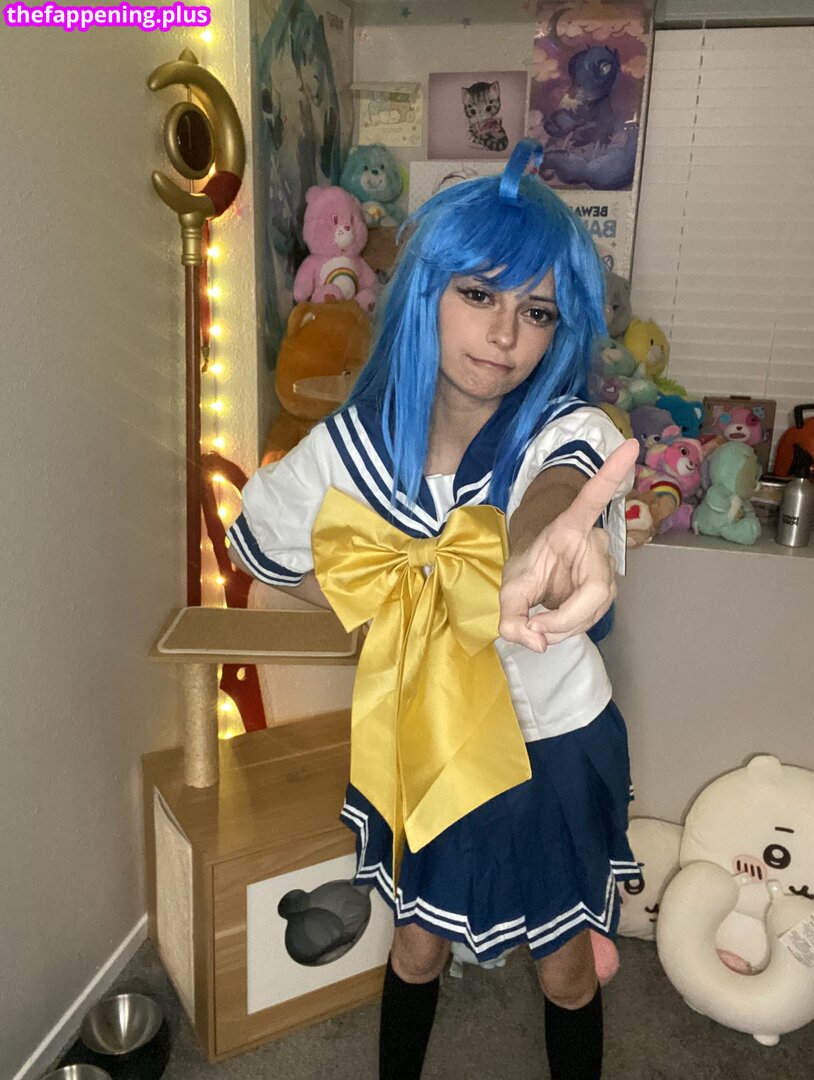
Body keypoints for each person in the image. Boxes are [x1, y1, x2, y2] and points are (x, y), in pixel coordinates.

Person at [228, 139, 641, 1080]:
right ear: (426, 291)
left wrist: (546, 545)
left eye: (536, 311)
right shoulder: (352, 446)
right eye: (480, 293)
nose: (505, 333)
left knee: (566, 970)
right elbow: (265, 538)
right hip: (432, 742)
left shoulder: (562, 430)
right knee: (415, 948)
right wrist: (384, 607)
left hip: (551, 744)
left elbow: (564, 484)